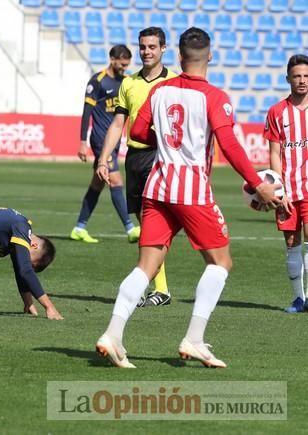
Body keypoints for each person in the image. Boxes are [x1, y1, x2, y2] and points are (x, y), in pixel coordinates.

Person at [95, 27, 281, 369]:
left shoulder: (161, 90)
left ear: (179, 57)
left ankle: (112, 333)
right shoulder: (214, 97)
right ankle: (193, 339)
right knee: (221, 262)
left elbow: (137, 133)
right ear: (210, 56)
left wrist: (167, 139)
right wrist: (258, 184)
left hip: (157, 186)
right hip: (191, 191)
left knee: (145, 267)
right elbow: (230, 146)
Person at [96, 27, 176, 307]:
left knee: (159, 223)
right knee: (147, 224)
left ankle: (156, 286)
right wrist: (104, 157)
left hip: (164, 156)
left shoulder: (176, 82)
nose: (146, 52)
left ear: (163, 49)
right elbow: (118, 124)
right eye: (143, 47)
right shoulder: (128, 84)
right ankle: (161, 289)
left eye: (152, 47)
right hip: (135, 158)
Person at [71, 45, 139, 244]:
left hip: (116, 140)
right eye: (121, 63)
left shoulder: (126, 82)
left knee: (97, 183)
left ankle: (79, 227)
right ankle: (130, 227)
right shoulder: (98, 81)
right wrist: (83, 141)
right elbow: (86, 113)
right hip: (101, 139)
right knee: (116, 181)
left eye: (127, 64)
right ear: (112, 59)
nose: (124, 67)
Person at [264, 54, 308, 313]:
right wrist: (279, 189)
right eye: (297, 76)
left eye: (305, 76)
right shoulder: (277, 112)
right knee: (291, 243)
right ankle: (298, 298)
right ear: (288, 79)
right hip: (288, 191)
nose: (302, 81)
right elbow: (274, 153)